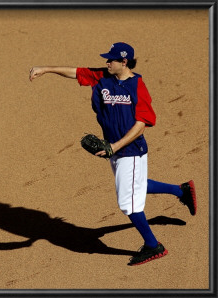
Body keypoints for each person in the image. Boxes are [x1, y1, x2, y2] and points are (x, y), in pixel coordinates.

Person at [29, 42, 197, 266]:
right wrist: (46, 69)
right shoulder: (102, 77)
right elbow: (76, 72)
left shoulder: (137, 85)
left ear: (124, 62)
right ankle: (181, 190)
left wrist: (115, 146)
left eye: (112, 60)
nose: (107, 62)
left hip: (131, 150)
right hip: (113, 148)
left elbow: (143, 123)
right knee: (134, 184)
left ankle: (153, 246)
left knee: (128, 202)